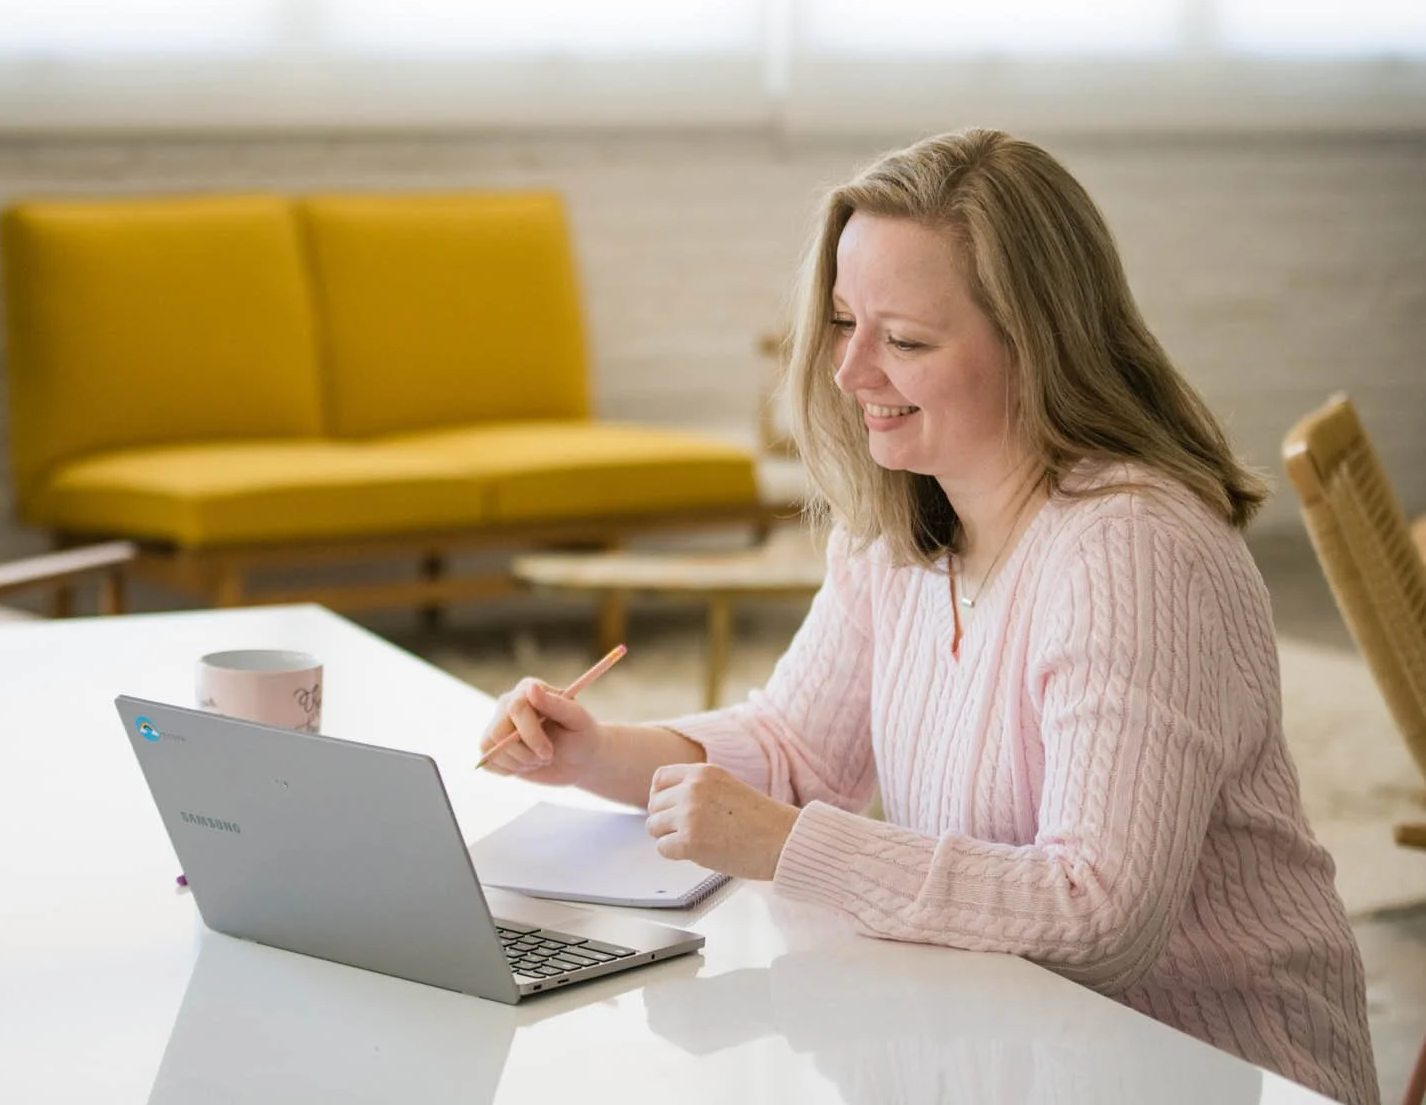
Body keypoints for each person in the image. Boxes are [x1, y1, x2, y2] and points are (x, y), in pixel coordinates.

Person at [476, 128, 1380, 1105]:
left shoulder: (1133, 550)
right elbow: (794, 747)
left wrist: (789, 845)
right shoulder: (901, 525)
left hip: (1202, 1064)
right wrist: (593, 749)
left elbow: (1100, 915)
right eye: (841, 321)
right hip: (1005, 1043)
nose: (848, 371)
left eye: (902, 339)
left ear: (1037, 349)